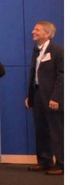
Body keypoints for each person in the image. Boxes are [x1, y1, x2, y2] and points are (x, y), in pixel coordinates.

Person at [26, 21, 63, 175]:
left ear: (47, 34)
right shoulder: (37, 50)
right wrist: (30, 95)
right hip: (38, 94)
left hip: (52, 97)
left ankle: (62, 164)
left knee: (57, 130)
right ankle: (45, 161)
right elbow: (35, 75)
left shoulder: (57, 51)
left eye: (37, 29)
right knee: (41, 129)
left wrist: (56, 97)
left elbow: (63, 76)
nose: (33, 31)